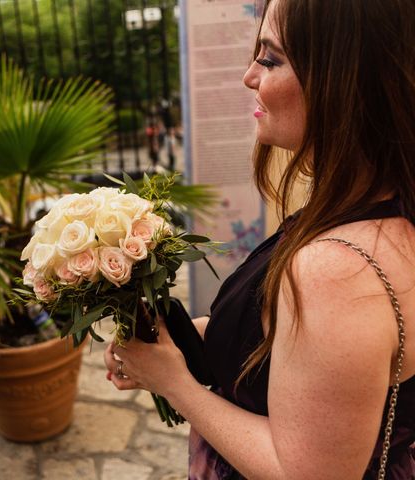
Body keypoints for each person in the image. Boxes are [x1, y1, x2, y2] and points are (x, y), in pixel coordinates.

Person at [104, 0, 415, 478]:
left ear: (345, 79)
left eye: (270, 59)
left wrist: (174, 384)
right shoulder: (379, 209)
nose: (250, 75)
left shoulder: (336, 272)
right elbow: (290, 352)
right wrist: (178, 340)